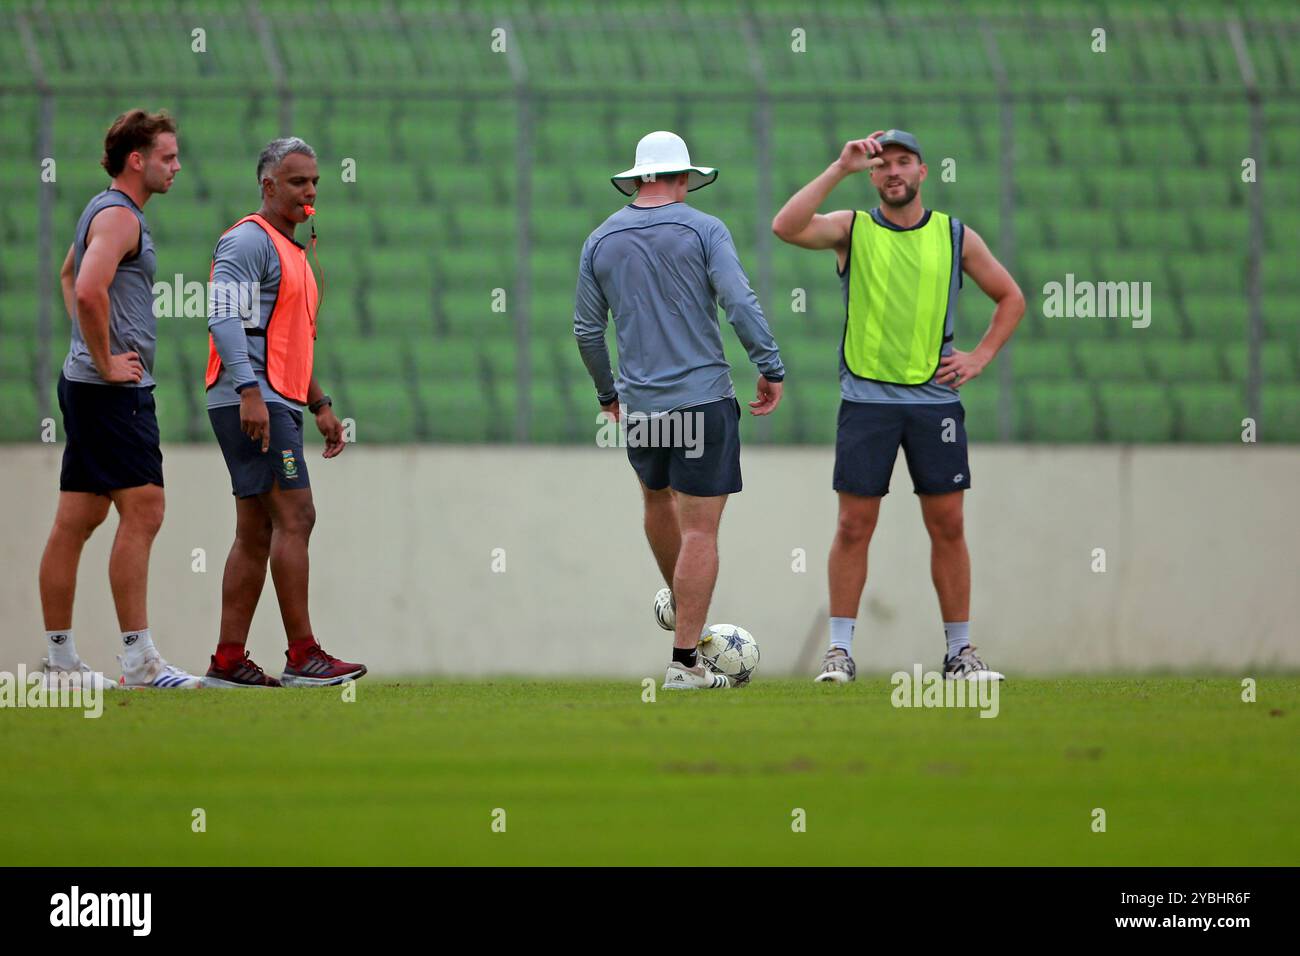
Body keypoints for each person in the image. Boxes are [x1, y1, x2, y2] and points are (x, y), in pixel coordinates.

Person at [772, 129, 1025, 683]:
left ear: (922, 172)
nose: (893, 172)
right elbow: (786, 227)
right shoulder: (852, 230)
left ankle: (960, 653)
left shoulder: (956, 236)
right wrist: (838, 167)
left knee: (949, 524)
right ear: (872, 176)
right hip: (867, 401)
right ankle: (839, 652)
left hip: (935, 403)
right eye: (882, 164)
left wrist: (980, 356)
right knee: (854, 524)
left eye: (904, 162)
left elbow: (1012, 297)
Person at [574, 130, 786, 691]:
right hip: (702, 398)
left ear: (641, 177)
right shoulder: (704, 228)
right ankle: (685, 661)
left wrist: (607, 393)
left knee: (655, 499)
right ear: (683, 176)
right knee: (700, 532)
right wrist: (770, 365)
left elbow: (587, 330)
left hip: (642, 406)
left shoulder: (600, 240)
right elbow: (739, 301)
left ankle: (683, 610)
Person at [38, 108, 200, 690]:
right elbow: (84, 287)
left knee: (78, 517)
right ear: (138, 160)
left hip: (87, 385)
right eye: (168, 156)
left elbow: (66, 275)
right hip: (110, 393)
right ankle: (139, 660)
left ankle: (59, 663)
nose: (177, 167)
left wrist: (87, 351)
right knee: (146, 509)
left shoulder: (100, 212)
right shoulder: (121, 218)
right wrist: (105, 359)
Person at [201, 137, 366, 689]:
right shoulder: (248, 240)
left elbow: (292, 337)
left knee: (255, 529)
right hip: (254, 399)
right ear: (268, 186)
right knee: (297, 516)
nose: (311, 191)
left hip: (275, 398)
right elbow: (222, 319)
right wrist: (249, 390)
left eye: (315, 181)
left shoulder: (293, 252)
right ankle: (303, 656)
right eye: (298, 182)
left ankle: (228, 661)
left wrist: (318, 403)